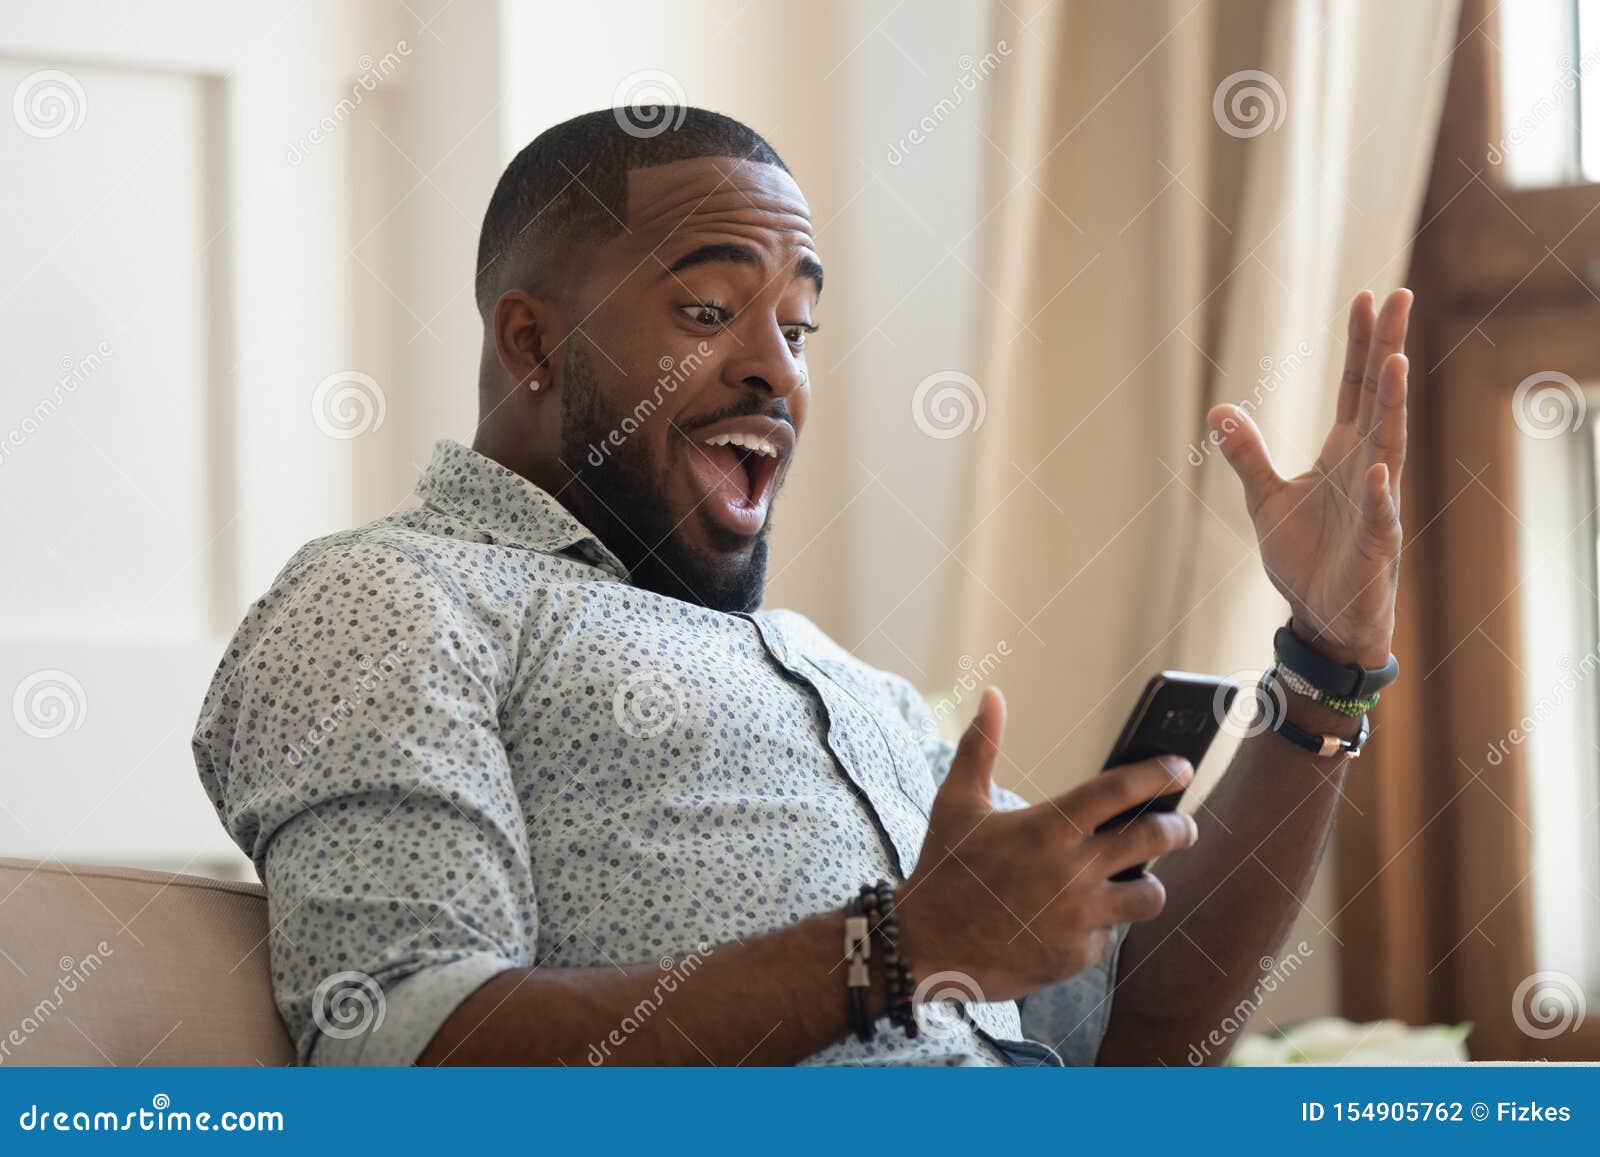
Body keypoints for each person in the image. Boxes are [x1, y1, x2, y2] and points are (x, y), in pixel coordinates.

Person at [192, 107, 1411, 1066]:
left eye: (800, 324)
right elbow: (402, 1052)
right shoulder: (390, 597)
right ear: (531, 342)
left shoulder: (852, 688)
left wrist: (1323, 666)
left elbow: (1142, 1040)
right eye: (711, 310)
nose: (777, 372)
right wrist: (896, 948)